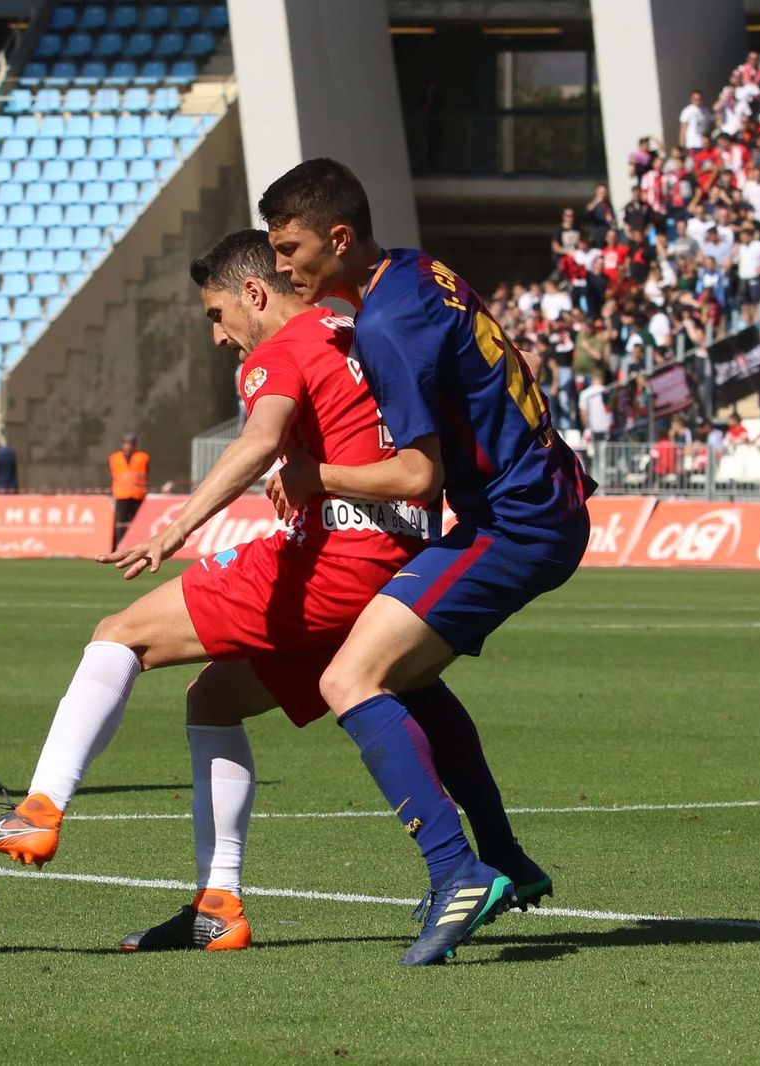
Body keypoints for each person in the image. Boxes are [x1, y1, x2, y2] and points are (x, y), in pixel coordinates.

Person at [0, 230, 447, 951]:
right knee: (213, 699)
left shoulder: (279, 348)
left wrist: (173, 528)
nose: (217, 336)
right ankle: (219, 904)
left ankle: (40, 808)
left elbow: (258, 439)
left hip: (335, 558)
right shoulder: (347, 324)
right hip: (397, 564)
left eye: (216, 314)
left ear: (253, 293)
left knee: (120, 632)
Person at [259, 158, 591, 965]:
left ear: (338, 239)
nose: (280, 265)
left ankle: (458, 873)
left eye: (290, 246)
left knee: (349, 679)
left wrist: (314, 477)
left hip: (515, 521)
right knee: (404, 674)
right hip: (538, 499)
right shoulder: (415, 270)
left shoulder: (387, 322)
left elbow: (417, 475)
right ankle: (502, 856)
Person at [108, 432, 149, 549]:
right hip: (121, 494)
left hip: (138, 495)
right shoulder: (114, 458)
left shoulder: (143, 457)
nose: (128, 446)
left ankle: (137, 547)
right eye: (126, 443)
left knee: (137, 523)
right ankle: (119, 547)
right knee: (120, 523)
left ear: (135, 445)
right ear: (122, 444)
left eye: (131, 443)